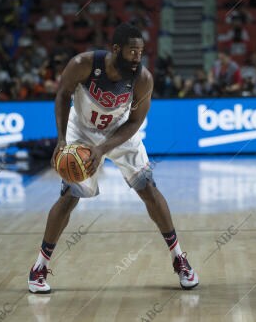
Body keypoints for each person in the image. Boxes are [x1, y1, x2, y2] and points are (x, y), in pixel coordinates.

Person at [28, 23, 199, 293]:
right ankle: (39, 267)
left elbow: (134, 123)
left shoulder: (143, 79)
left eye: (141, 52)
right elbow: (62, 96)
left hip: (120, 134)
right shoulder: (83, 64)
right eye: (132, 51)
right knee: (69, 197)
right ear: (116, 49)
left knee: (149, 190)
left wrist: (102, 149)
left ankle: (180, 258)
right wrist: (62, 140)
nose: (137, 57)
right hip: (81, 132)